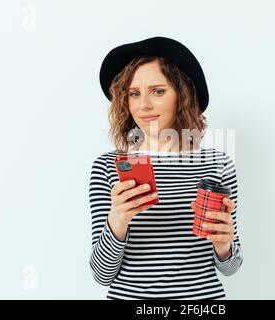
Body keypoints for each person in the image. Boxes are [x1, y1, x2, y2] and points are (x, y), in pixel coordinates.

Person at [89, 36, 243, 299]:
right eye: (134, 94)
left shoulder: (218, 165)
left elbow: (230, 268)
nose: (143, 105)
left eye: (157, 91)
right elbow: (102, 274)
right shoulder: (107, 167)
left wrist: (223, 245)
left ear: (182, 96)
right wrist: (118, 219)